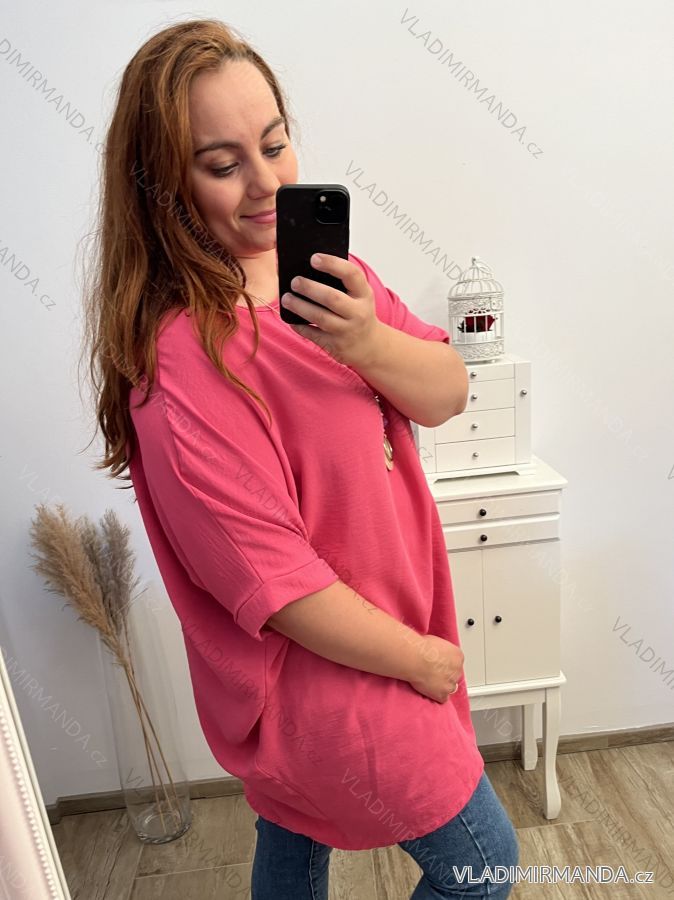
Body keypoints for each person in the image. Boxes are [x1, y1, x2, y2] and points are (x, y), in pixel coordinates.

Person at [81, 17, 520, 900]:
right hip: (329, 684)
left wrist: (365, 341)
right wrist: (419, 660)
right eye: (222, 164)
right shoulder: (182, 363)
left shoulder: (323, 277)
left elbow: (446, 392)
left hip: (382, 640)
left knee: (294, 835)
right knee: (486, 865)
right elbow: (276, 584)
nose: (266, 183)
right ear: (161, 185)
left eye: (275, 144)